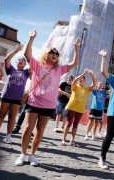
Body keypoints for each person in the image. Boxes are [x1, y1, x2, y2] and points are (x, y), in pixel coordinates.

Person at [14, 30, 81, 166]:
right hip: (33, 102)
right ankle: (22, 154)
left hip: (49, 105)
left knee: (40, 131)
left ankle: (32, 155)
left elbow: (74, 63)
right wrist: (31, 39)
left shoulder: (59, 69)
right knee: (27, 129)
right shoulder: (38, 65)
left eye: (57, 53)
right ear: (47, 54)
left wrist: (76, 48)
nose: (55, 54)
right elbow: (27, 54)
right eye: (53, 52)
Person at [0, 44, 31, 143]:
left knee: (12, 117)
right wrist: (15, 51)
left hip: (17, 98)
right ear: (16, 62)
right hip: (6, 96)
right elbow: (7, 59)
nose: (21, 61)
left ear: (25, 64)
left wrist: (28, 55)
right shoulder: (11, 69)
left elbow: (33, 66)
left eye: (23, 61)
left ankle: (8, 136)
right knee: (1, 115)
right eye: (19, 60)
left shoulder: (26, 72)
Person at [61, 69, 95, 146]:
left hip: (80, 109)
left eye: (82, 78)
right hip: (72, 107)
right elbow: (74, 81)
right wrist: (83, 73)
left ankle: (72, 141)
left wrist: (92, 75)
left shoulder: (85, 89)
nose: (80, 79)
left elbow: (93, 85)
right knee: (69, 123)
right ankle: (63, 139)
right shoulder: (75, 86)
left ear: (84, 80)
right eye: (80, 78)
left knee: (75, 124)